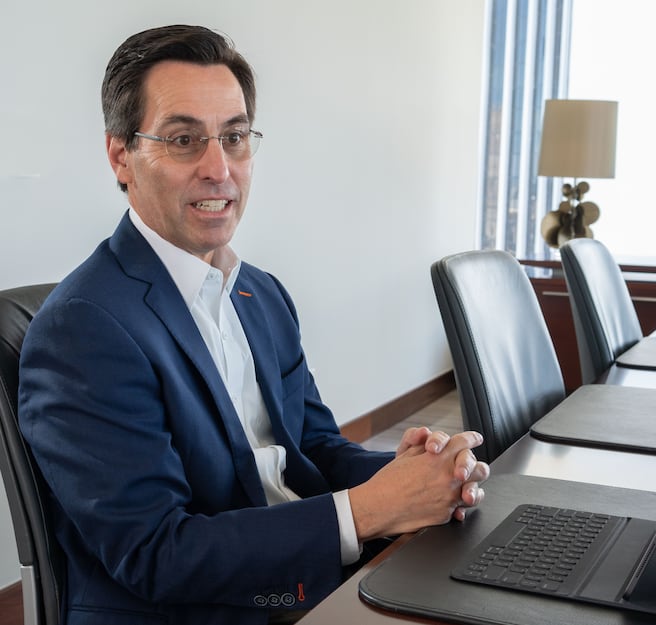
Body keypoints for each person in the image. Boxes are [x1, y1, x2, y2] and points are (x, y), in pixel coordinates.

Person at [17, 24, 489, 625]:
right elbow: (157, 556)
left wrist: (426, 477)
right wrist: (368, 511)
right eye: (184, 139)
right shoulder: (83, 330)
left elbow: (313, 449)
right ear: (121, 156)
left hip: (298, 576)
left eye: (235, 138)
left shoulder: (259, 293)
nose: (219, 168)